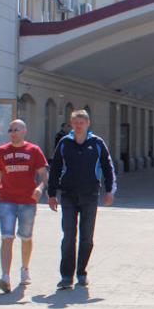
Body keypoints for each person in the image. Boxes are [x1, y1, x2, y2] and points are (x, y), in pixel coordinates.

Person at [47, 109, 116, 290]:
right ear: (71, 124)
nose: (78, 126)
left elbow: (108, 167)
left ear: (88, 124)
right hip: (68, 195)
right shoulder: (64, 143)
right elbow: (55, 168)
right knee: (69, 236)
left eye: (81, 122)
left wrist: (110, 191)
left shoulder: (97, 143)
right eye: (75, 123)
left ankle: (82, 272)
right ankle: (66, 276)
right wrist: (51, 193)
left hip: (90, 195)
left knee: (87, 238)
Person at [0, 119, 48, 293]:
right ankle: (5, 276)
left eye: (16, 129)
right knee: (7, 237)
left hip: (28, 201)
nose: (13, 132)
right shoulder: (2, 151)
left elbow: (44, 174)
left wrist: (40, 187)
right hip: (7, 201)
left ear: (24, 131)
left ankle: (25, 269)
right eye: (10, 130)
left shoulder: (34, 150)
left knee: (26, 237)